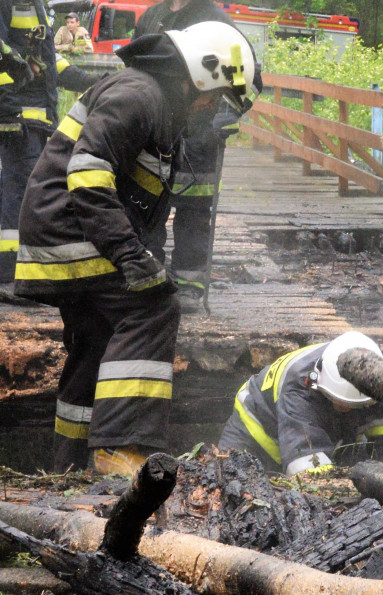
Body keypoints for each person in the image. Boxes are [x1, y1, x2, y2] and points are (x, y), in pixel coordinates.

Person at [13, 21, 259, 474]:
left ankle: (70, 467)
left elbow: (143, 209)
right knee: (153, 309)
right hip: (69, 234)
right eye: (217, 96)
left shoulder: (160, 105)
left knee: (96, 341)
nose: (211, 108)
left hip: (68, 234)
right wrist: (129, 256)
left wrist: (146, 259)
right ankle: (120, 449)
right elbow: (87, 174)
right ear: (201, 72)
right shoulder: (138, 95)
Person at [135, 0, 256, 313]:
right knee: (146, 208)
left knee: (194, 212)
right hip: (156, 132)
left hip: (200, 136)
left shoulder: (216, 20)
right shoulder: (152, 16)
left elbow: (249, 79)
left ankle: (189, 286)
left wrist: (232, 110)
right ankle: (149, 281)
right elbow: (135, 69)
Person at [0, 0, 96, 287]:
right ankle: (11, 272)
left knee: (20, 190)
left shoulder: (35, 5)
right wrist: (8, 108)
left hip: (35, 119)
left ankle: (14, 268)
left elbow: (49, 60)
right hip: (18, 119)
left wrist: (89, 81)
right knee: (21, 193)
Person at [218, 332, 383, 475]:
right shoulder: (298, 389)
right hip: (254, 427)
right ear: (317, 382)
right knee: (227, 477)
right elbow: (308, 469)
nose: (343, 409)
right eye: (336, 400)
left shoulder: (382, 382)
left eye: (354, 405)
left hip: (324, 427)